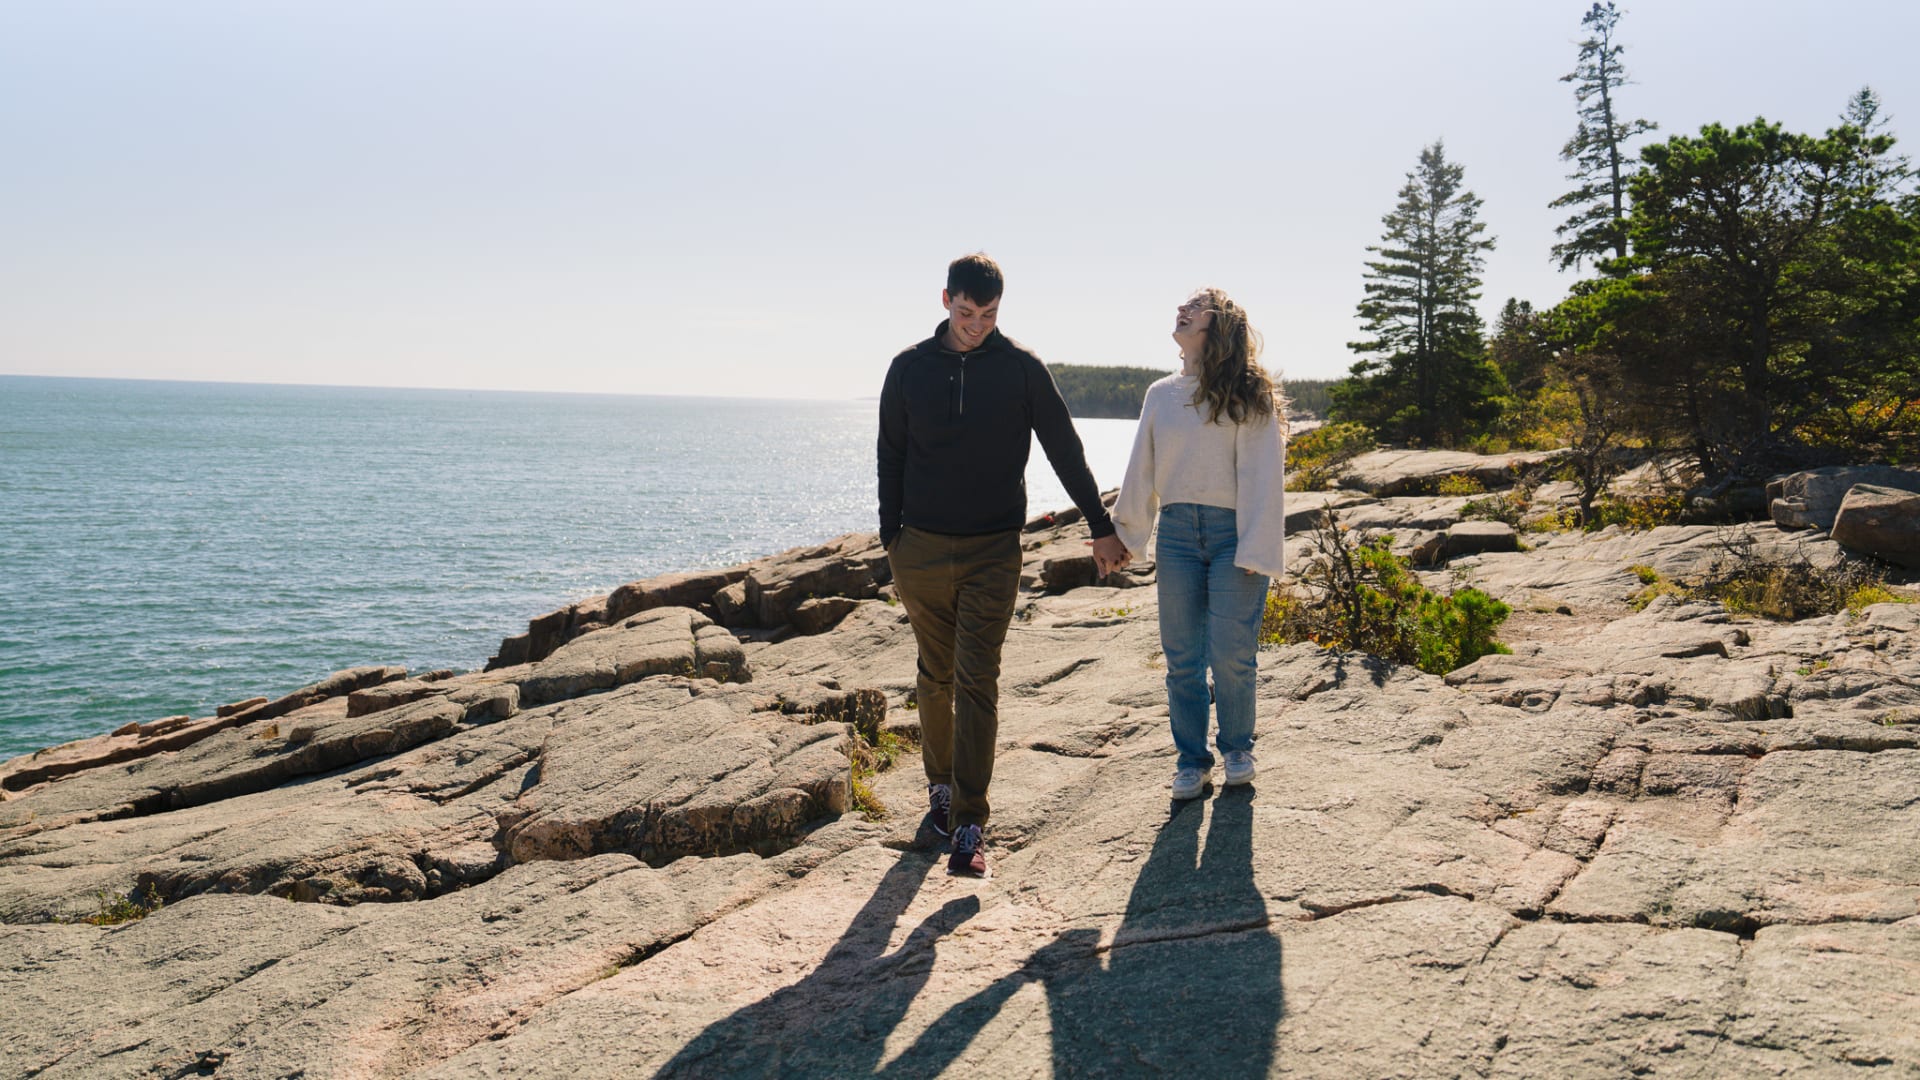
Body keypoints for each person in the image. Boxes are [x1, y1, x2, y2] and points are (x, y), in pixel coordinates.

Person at [878, 252, 1129, 876]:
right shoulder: (909, 367)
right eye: (967, 312)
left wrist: (1100, 526)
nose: (977, 326)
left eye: (988, 314)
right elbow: (891, 454)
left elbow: (1064, 448)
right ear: (946, 301)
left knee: (977, 679)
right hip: (920, 550)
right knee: (934, 674)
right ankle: (940, 788)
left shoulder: (1020, 368)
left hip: (993, 550)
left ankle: (970, 822)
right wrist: (892, 538)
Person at [1110, 288, 1286, 801]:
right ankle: (1192, 761)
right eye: (1182, 305)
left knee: (1232, 654)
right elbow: (1141, 469)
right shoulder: (1161, 394)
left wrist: (1257, 547)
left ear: (1220, 326)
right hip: (1177, 534)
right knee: (1183, 659)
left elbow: (1263, 476)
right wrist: (1125, 536)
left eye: (1196, 306)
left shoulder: (1250, 393)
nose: (1182, 311)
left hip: (1234, 533)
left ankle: (1237, 749)